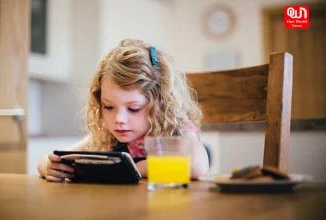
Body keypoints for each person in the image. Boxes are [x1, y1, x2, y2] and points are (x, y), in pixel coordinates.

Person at [37, 39, 209, 182]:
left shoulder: (178, 128)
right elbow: (51, 157)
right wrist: (47, 167)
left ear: (160, 104)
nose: (119, 119)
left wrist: (137, 168)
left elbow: (198, 167)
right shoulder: (105, 135)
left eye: (133, 108)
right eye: (109, 107)